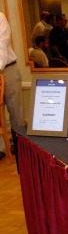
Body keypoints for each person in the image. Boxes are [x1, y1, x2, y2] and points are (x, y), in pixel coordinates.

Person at [0, 12, 23, 160]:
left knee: (16, 112)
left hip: (8, 69)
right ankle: (2, 149)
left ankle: (21, 148)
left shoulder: (0, 17)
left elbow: (1, 44)